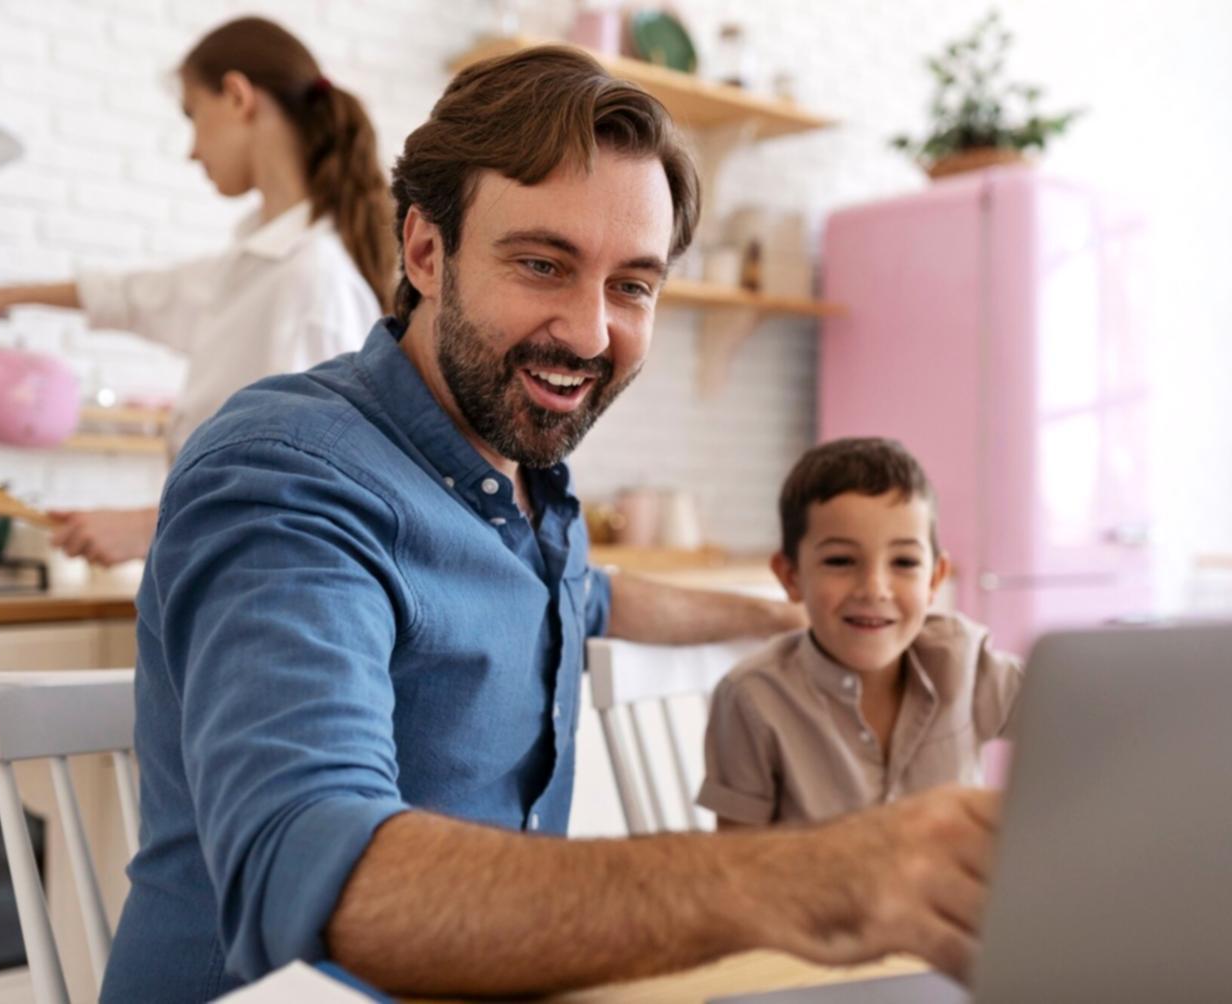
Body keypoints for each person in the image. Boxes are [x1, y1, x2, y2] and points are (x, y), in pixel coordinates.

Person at [100, 47, 1001, 1001]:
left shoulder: (523, 486)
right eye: (542, 263)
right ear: (425, 251)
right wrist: (799, 879)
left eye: (632, 286)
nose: (588, 332)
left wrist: (779, 620)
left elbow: (581, 593)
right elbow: (313, 876)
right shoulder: (286, 470)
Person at [0, 16, 394, 567]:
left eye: (192, 116)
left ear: (236, 96)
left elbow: (318, 491)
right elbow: (143, 294)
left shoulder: (312, 280)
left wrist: (149, 528)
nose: (191, 151)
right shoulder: (259, 265)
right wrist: (5, 296)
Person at [698, 437, 1023, 827]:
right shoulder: (752, 698)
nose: (874, 588)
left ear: (935, 577)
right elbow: (738, 867)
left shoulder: (968, 662)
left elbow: (1088, 721)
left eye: (903, 561)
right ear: (791, 576)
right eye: (840, 560)